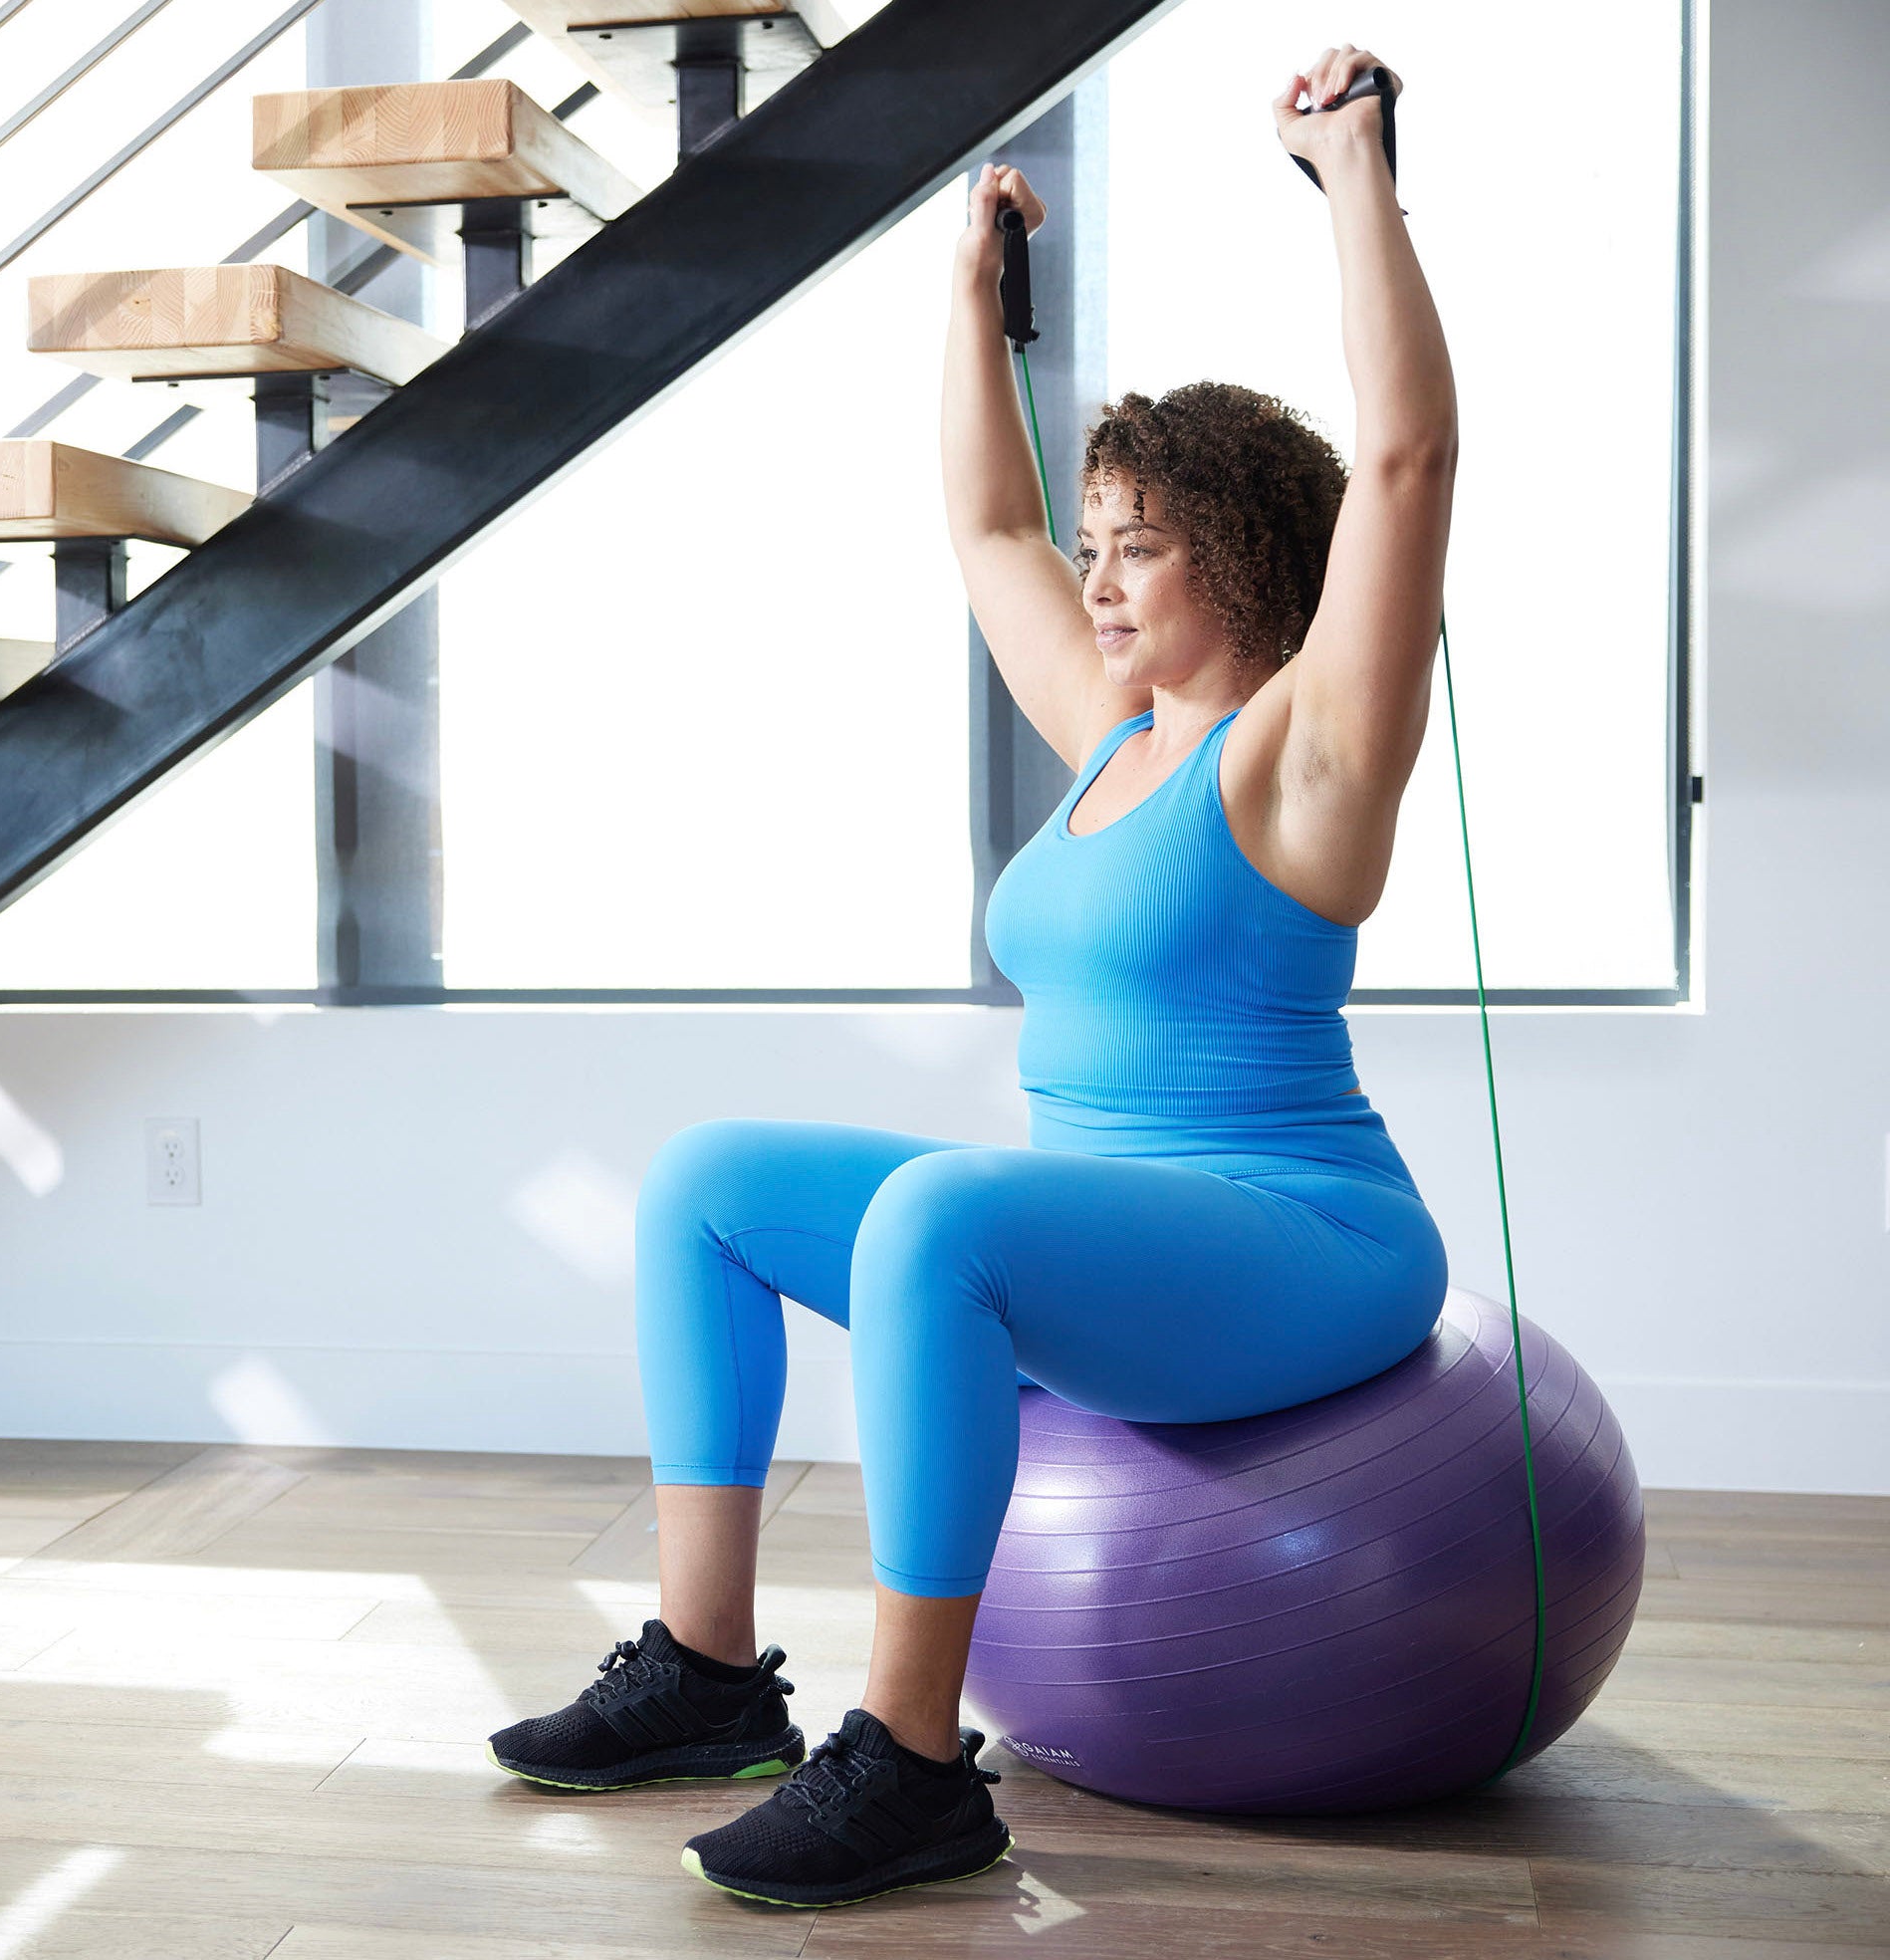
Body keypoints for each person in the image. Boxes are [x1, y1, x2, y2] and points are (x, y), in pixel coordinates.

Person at [489, 42, 1457, 1910]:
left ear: (1250, 558)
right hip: (1116, 1228)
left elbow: (1407, 462)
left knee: (940, 1215)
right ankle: (705, 1673)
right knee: (706, 1184)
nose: (1096, 581)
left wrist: (1355, 176)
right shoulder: (1115, 736)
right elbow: (988, 530)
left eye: (1142, 549)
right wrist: (968, 296)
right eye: (1099, 546)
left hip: (1303, 1240)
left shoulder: (1308, 752)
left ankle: (916, 1764)